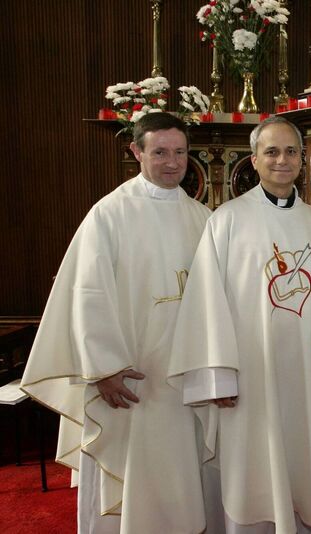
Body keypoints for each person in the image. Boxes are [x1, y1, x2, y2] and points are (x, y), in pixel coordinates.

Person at [21, 112, 210, 533]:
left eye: (180, 152)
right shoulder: (108, 214)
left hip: (182, 376)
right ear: (136, 151)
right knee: (126, 477)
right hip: (130, 380)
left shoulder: (201, 217)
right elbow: (88, 295)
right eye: (160, 152)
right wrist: (103, 369)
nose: (172, 162)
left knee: (181, 475)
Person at [168, 116, 311, 534]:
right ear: (254, 160)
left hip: (306, 374)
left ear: (303, 159)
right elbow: (205, 306)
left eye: (291, 152)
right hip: (250, 376)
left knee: (304, 464)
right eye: (272, 152)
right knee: (254, 473)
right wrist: (217, 378)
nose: (282, 160)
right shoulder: (227, 220)